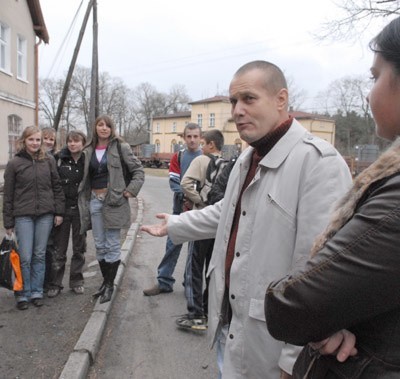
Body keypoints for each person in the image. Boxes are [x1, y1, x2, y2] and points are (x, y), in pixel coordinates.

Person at [141, 60, 352, 378]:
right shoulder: (247, 158)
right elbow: (228, 211)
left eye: (249, 99)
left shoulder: (318, 164)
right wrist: (175, 224)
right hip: (234, 328)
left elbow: (321, 270)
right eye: (233, 102)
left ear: (281, 99)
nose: (237, 110)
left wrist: (293, 360)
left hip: (276, 345)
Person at [265, 16, 400, 378]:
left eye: (375, 77)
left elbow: (295, 302)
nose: (369, 93)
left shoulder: (320, 160)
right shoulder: (250, 157)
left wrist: (322, 315)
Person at [78, 115, 144, 304]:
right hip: (94, 201)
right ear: (95, 128)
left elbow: (138, 171)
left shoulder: (120, 147)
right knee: (100, 245)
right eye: (100, 125)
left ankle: (109, 285)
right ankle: (106, 283)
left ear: (112, 128)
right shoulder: (88, 150)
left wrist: (130, 191)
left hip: (114, 201)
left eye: (107, 125)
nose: (104, 128)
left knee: (113, 244)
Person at [3, 126, 65, 310]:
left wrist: (59, 212)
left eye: (38, 140)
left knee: (39, 255)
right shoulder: (15, 163)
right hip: (23, 216)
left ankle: (37, 291)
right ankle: (22, 293)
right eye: (31, 140)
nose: (35, 143)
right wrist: (8, 222)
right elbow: (8, 195)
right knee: (25, 256)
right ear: (24, 140)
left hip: (45, 215)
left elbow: (57, 187)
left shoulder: (49, 161)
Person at [143, 123, 202, 296]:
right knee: (172, 246)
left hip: (199, 212)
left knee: (194, 253)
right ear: (184, 138)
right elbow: (174, 181)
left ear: (200, 138)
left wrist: (196, 199)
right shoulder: (179, 156)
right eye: (189, 136)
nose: (192, 140)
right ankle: (164, 282)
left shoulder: (206, 157)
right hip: (179, 210)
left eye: (195, 136)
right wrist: (186, 196)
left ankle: (190, 285)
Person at [177, 129, 226, 330]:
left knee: (194, 267)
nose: (201, 146)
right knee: (211, 269)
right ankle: (208, 309)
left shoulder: (201, 161)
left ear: (211, 145)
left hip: (202, 219)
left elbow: (185, 184)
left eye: (203, 143)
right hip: (219, 223)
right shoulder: (229, 165)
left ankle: (195, 314)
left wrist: (201, 201)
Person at [47, 130, 87, 298]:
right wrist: (58, 211)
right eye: (70, 141)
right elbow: (54, 186)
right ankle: (55, 283)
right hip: (62, 210)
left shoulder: (87, 159)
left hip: (80, 210)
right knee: (59, 249)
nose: (72, 144)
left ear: (83, 143)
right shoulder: (59, 158)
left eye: (76, 141)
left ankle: (76, 281)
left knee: (79, 248)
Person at [42, 126, 58, 292]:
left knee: (48, 247)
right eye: (45, 138)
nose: (48, 141)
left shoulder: (56, 159)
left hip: (51, 209)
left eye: (51, 139)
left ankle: (48, 281)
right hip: (32, 210)